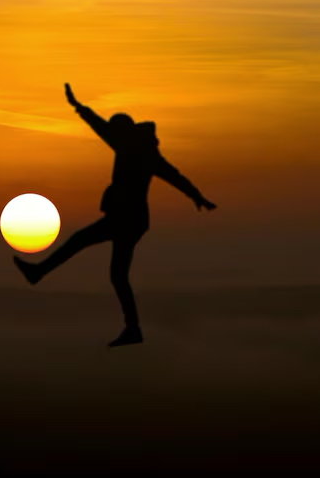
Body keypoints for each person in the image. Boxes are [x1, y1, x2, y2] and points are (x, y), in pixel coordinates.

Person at [14, 83, 217, 348]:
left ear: (123, 131)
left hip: (126, 219)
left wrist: (79, 107)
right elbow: (173, 175)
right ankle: (132, 329)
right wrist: (197, 197)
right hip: (132, 219)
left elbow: (172, 175)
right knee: (117, 274)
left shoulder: (134, 149)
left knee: (81, 242)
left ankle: (39, 272)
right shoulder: (138, 149)